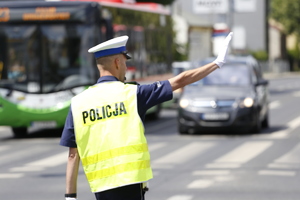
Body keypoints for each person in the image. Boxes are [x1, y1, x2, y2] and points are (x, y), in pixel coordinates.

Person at [60, 32, 233, 200]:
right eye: (126, 62)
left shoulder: (78, 103)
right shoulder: (133, 94)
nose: (127, 68)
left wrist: (70, 196)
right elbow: (180, 80)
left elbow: (73, 155)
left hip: (101, 186)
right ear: (117, 62)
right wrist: (216, 63)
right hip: (130, 182)